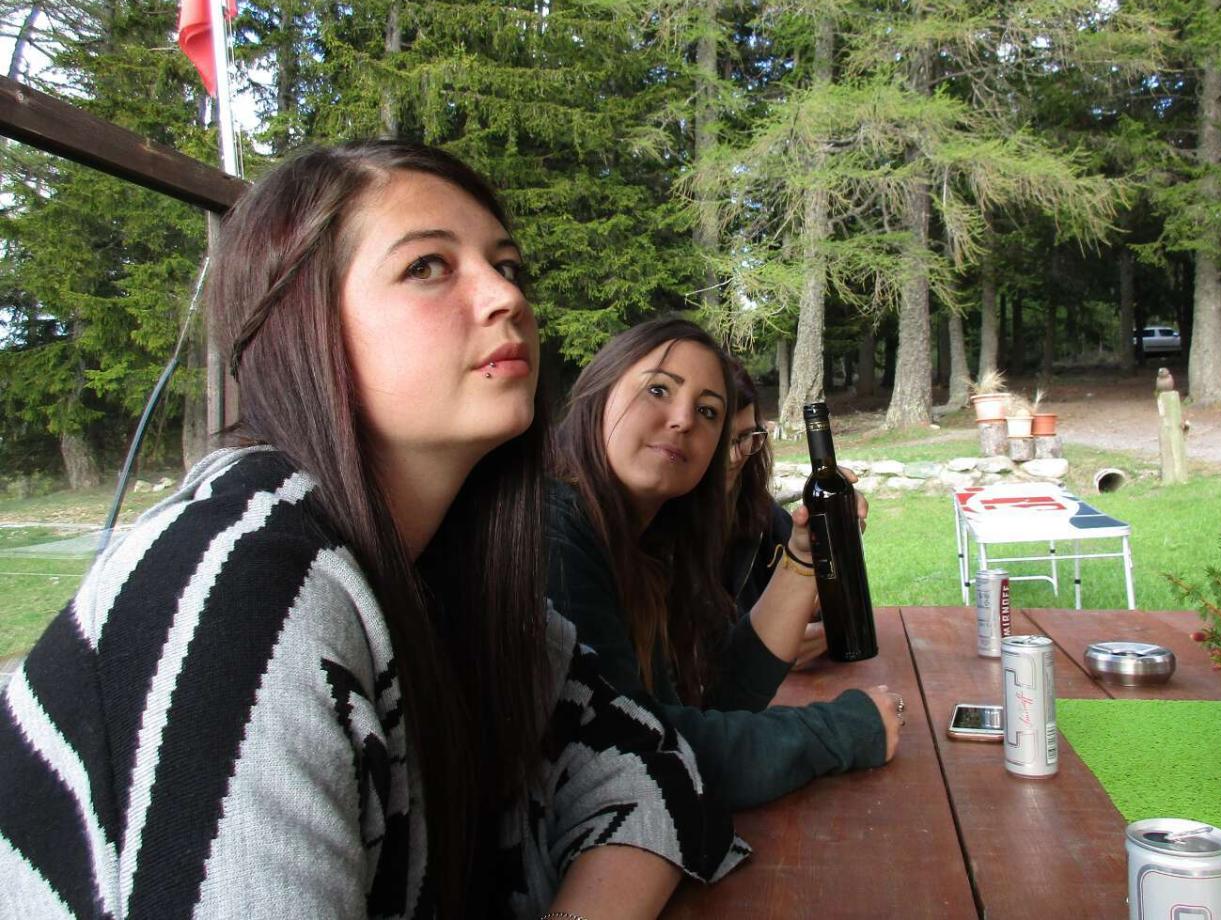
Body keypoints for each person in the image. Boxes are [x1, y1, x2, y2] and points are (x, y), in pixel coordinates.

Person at [0, 142, 742, 919]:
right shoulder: (241, 580)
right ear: (305, 323)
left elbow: (658, 766)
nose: (507, 297)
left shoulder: (458, 588)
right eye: (427, 266)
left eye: (508, 267)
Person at [546, 317, 902, 814]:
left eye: (707, 411)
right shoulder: (552, 531)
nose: (683, 420)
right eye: (658, 389)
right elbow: (636, 747)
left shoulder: (650, 545)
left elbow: (715, 698)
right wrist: (838, 730)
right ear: (598, 394)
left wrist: (803, 554)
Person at [723, 356, 865, 666]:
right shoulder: (651, 530)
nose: (734, 457)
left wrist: (834, 554)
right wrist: (760, 652)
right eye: (721, 441)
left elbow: (820, 604)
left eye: (746, 438)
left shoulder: (761, 514)